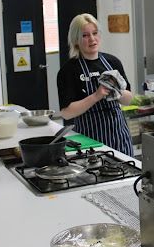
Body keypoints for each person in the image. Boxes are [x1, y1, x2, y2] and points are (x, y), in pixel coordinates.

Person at [57, 13, 134, 156]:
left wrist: (117, 92)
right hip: (89, 141)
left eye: (95, 33)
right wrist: (96, 96)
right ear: (76, 40)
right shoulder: (68, 70)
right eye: (85, 35)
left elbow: (129, 99)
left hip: (119, 137)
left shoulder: (112, 62)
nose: (92, 39)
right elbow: (66, 113)